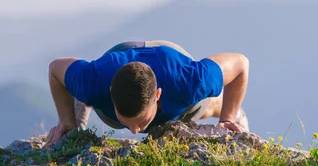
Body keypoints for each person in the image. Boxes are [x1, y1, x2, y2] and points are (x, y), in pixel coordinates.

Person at [43, 40, 250, 148]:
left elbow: (241, 63)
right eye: (129, 122)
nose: (134, 131)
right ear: (111, 92)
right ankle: (83, 99)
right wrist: (67, 123)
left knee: (200, 107)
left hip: (171, 64)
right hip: (118, 57)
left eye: (141, 123)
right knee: (88, 88)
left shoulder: (190, 80)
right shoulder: (94, 82)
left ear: (158, 95)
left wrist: (227, 118)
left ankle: (225, 108)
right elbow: (55, 68)